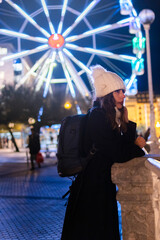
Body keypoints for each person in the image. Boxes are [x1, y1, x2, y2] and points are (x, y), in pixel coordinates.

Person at [61, 65, 146, 240]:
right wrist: (137, 146)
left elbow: (119, 145)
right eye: (118, 92)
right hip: (92, 191)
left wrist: (126, 121)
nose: (123, 95)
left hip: (100, 187)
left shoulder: (106, 117)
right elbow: (118, 152)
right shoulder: (98, 118)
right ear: (107, 94)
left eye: (123, 91)